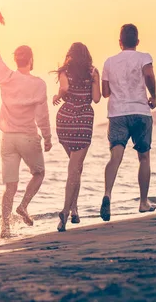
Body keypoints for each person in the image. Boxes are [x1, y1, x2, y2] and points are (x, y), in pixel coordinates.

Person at [0, 10, 53, 238]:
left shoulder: (6, 76)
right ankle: (24, 206)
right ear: (31, 60)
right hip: (27, 136)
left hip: (7, 139)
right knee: (39, 173)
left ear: (15, 60)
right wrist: (48, 137)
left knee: (9, 186)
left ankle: (5, 226)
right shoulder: (38, 84)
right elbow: (42, 115)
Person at [100, 23, 156, 222]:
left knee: (115, 156)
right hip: (140, 111)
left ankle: (107, 194)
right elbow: (149, 75)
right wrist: (153, 96)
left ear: (120, 42)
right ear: (137, 42)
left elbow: (105, 93)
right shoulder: (144, 57)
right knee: (144, 157)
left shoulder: (109, 62)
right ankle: (143, 202)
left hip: (117, 113)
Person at [52, 43, 101, 232]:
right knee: (74, 168)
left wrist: (58, 95)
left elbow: (64, 88)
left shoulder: (64, 71)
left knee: (75, 168)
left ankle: (74, 210)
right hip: (83, 120)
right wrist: (94, 81)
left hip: (64, 120)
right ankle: (65, 211)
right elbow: (96, 99)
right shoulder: (92, 71)